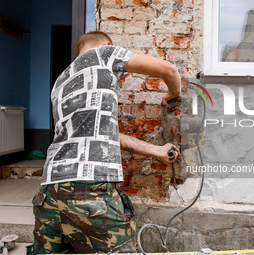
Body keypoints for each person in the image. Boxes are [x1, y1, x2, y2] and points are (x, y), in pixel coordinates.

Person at [31, 31, 181, 254]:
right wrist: (173, 94)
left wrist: (156, 151)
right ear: (107, 44)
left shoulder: (60, 82)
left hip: (49, 193)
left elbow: (106, 135)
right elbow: (169, 69)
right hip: (89, 191)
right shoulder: (103, 53)